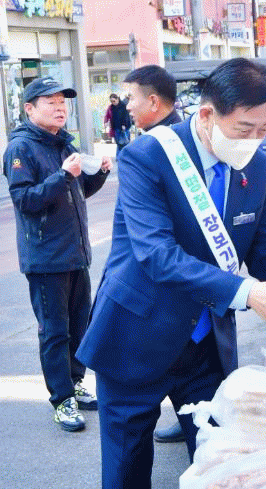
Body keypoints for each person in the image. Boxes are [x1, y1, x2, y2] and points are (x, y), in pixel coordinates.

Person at [75, 57, 266, 488]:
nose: (254, 141)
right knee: (125, 467)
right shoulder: (148, 156)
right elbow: (157, 255)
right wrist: (248, 293)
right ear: (208, 114)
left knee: (220, 462)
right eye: (244, 129)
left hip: (205, 342)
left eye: (264, 129)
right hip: (137, 331)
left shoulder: (259, 167)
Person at [2, 77, 113, 432]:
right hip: (45, 258)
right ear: (29, 108)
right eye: (50, 102)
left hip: (75, 253)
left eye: (62, 102)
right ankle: (61, 399)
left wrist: (98, 175)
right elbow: (25, 200)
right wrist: (63, 176)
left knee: (79, 326)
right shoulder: (21, 148)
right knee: (54, 332)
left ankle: (76, 383)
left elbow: (75, 191)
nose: (59, 108)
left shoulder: (63, 143)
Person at [120, 64, 185, 444]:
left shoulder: (158, 149)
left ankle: (185, 411)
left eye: (132, 97)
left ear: (154, 101)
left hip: (167, 281)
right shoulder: (151, 143)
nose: (127, 105)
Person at [123, 64, 182, 132]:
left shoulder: (163, 137)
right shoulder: (180, 132)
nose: (128, 107)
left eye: (131, 98)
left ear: (154, 102)